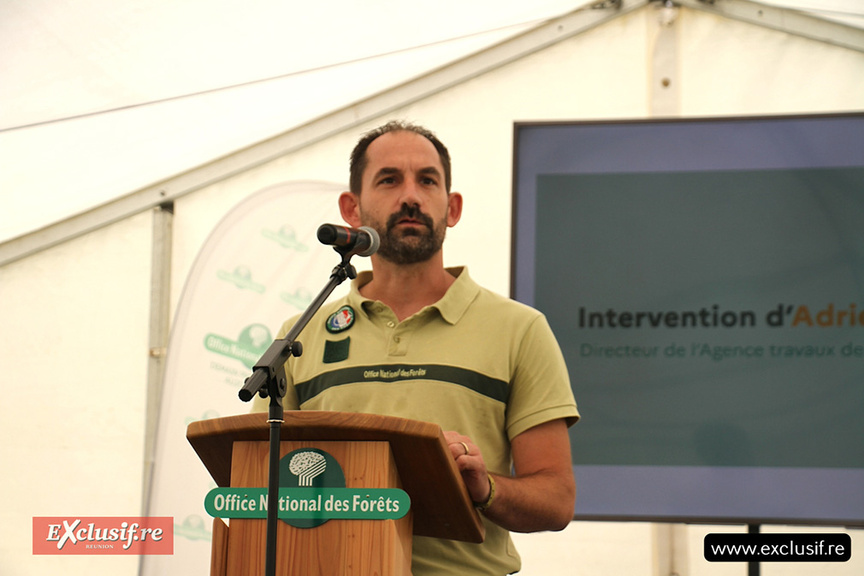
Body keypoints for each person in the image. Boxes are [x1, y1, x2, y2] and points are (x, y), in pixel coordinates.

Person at [253, 120, 579, 575]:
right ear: (352, 208)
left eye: (427, 180)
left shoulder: (519, 329)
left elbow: (556, 500)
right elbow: (254, 478)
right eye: (389, 180)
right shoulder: (302, 333)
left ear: (452, 207)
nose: (410, 196)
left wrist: (484, 487)